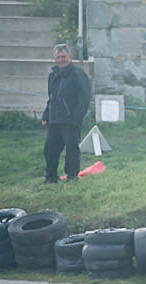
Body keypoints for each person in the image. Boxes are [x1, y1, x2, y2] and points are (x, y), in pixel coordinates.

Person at [42, 44, 91, 183]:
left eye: (63, 56)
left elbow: (84, 98)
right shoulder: (53, 76)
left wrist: (77, 118)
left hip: (71, 121)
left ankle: (72, 177)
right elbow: (51, 98)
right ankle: (50, 177)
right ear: (54, 59)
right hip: (54, 120)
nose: (61, 59)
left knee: (71, 151)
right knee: (49, 150)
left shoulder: (78, 74)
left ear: (69, 57)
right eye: (58, 57)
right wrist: (46, 115)